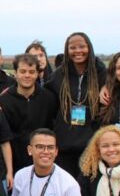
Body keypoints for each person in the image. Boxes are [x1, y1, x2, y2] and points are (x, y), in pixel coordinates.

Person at [45, 32, 106, 179]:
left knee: (88, 186)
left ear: (89, 48)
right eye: (72, 47)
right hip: (65, 143)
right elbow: (46, 100)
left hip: (91, 143)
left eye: (82, 46)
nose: (78, 51)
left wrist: (108, 86)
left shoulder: (100, 72)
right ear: (67, 50)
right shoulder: (59, 74)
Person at [0, 54, 58, 172]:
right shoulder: (3, 100)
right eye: (23, 71)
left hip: (43, 160)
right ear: (16, 73)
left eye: (31, 72)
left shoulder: (49, 98)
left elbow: (54, 127)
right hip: (14, 162)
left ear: (37, 74)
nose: (27, 75)